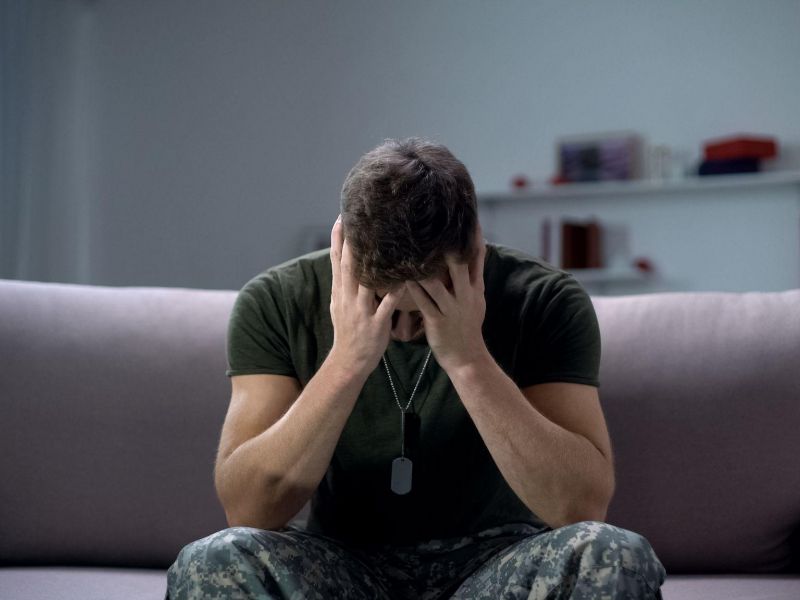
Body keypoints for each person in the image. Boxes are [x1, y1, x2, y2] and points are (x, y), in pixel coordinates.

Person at [165, 138, 666, 599]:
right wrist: (348, 360)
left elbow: (580, 507)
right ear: (343, 249)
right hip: (344, 563)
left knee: (613, 554)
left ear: (474, 251)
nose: (402, 329)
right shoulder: (275, 301)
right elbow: (249, 509)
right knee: (212, 561)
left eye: (429, 302)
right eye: (380, 300)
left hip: (495, 563)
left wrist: (468, 358)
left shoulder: (546, 300)